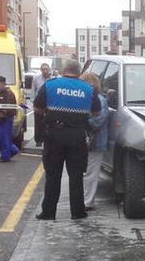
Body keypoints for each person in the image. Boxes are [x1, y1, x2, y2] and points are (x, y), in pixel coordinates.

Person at [34, 60, 100, 220]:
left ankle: (48, 213)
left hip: (54, 135)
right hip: (77, 137)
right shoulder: (89, 89)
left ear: (64, 70)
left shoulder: (50, 85)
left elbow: (37, 108)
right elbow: (96, 112)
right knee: (76, 176)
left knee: (53, 175)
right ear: (78, 72)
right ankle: (77, 213)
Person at [80, 72, 109, 210]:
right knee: (86, 172)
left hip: (94, 142)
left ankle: (87, 202)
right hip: (88, 141)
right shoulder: (95, 98)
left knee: (90, 173)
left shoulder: (100, 100)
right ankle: (85, 200)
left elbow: (97, 122)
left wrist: (80, 121)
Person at [0, 76, 19, 163]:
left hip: (6, 119)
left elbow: (7, 108)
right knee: (1, 137)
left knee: (4, 138)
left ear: (3, 83)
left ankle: (6, 156)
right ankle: (11, 151)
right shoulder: (0, 93)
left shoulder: (8, 94)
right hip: (3, 119)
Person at [32, 63, 52, 147]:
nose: (45, 71)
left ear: (49, 70)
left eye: (46, 69)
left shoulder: (52, 80)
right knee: (38, 122)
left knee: (48, 122)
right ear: (41, 70)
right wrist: (33, 102)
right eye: (43, 69)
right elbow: (33, 90)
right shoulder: (36, 79)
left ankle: (48, 139)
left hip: (49, 104)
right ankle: (38, 140)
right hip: (39, 104)